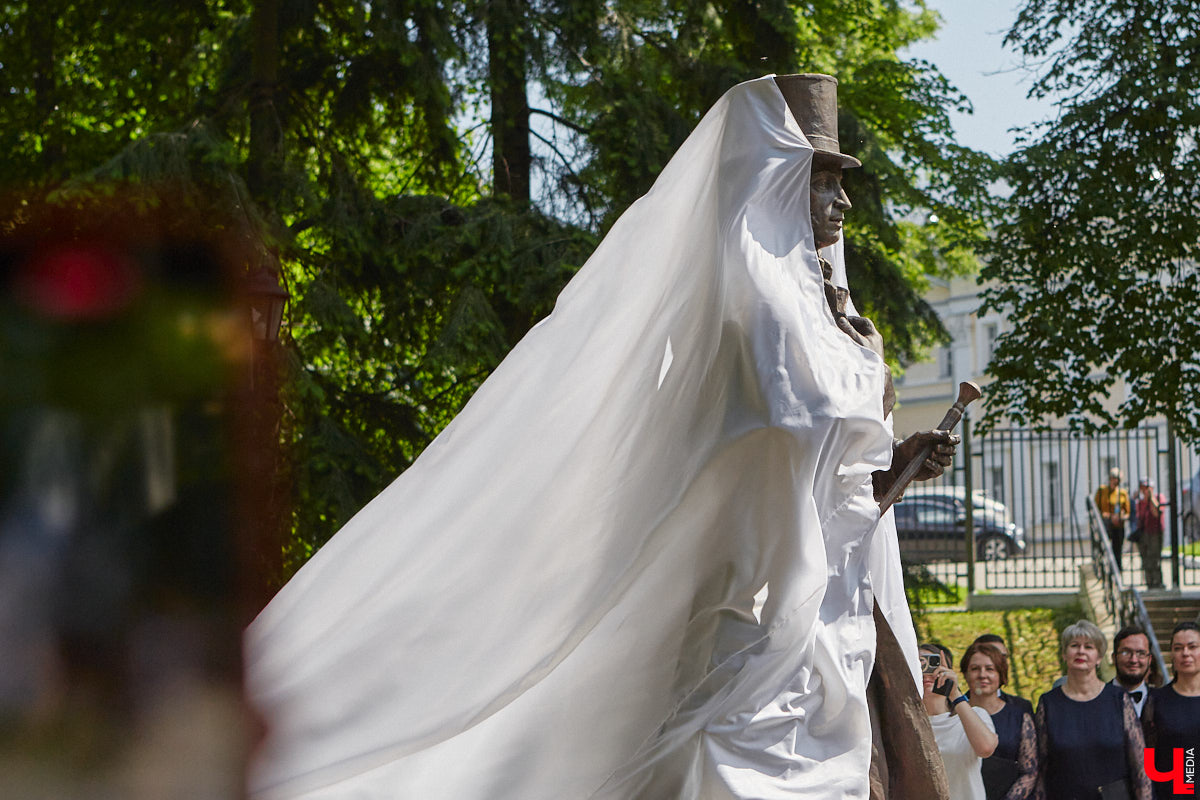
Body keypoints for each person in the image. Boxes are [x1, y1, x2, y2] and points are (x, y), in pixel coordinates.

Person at [244, 75, 958, 799]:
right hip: (757, 610)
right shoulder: (746, 325)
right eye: (822, 182)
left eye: (843, 185)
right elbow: (746, 461)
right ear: (775, 184)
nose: (840, 203)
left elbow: (835, 490)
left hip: (839, 621)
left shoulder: (844, 330)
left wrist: (897, 464)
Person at [1035, 620, 1152, 800]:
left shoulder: (1119, 700)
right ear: (1065, 654)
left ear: (1099, 658)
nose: (1081, 651)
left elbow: (1140, 766)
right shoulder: (1049, 703)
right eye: (1074, 645)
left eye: (1089, 647)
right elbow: (1040, 767)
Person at [920, 643, 997, 800]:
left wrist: (954, 693)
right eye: (919, 665)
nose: (926, 673)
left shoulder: (974, 715)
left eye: (933, 664)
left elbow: (986, 748)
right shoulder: (906, 723)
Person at [962, 642, 1036, 800]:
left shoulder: (1020, 717)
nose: (982, 675)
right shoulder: (954, 716)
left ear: (1000, 674)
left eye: (990, 669)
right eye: (975, 669)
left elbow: (1030, 771)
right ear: (965, 674)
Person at [1142, 622, 1200, 800]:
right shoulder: (1156, 700)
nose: (1185, 653)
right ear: (1172, 655)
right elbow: (1147, 758)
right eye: (1178, 648)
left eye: (1192, 647)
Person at [970, 634, 1034, 717]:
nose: (1001, 662)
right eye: (993, 656)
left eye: (1003, 657)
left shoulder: (1021, 707)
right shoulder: (956, 707)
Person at [1111, 625, 1156, 716]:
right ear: (1114, 658)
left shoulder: (1163, 700)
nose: (1133, 660)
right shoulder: (1097, 699)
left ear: (1149, 660)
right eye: (1126, 652)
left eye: (1141, 653)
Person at [1132, 478, 1166, 590]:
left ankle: (1158, 582)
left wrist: (1151, 498)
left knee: (1155, 558)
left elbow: (1156, 513)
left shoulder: (1158, 497)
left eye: (1147, 488)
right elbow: (1137, 517)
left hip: (1156, 532)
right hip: (1144, 533)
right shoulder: (1140, 503)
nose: (1145, 491)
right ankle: (1149, 583)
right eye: (1143, 488)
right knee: (1146, 559)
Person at [1096, 468, 1131, 566]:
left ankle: (1117, 575)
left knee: (1117, 552)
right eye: (1113, 478)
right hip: (1105, 525)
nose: (1115, 481)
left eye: (1117, 479)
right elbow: (1095, 510)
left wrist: (1121, 517)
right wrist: (1109, 516)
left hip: (1118, 526)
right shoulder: (1102, 491)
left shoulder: (1122, 493)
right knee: (1104, 550)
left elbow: (1128, 512)